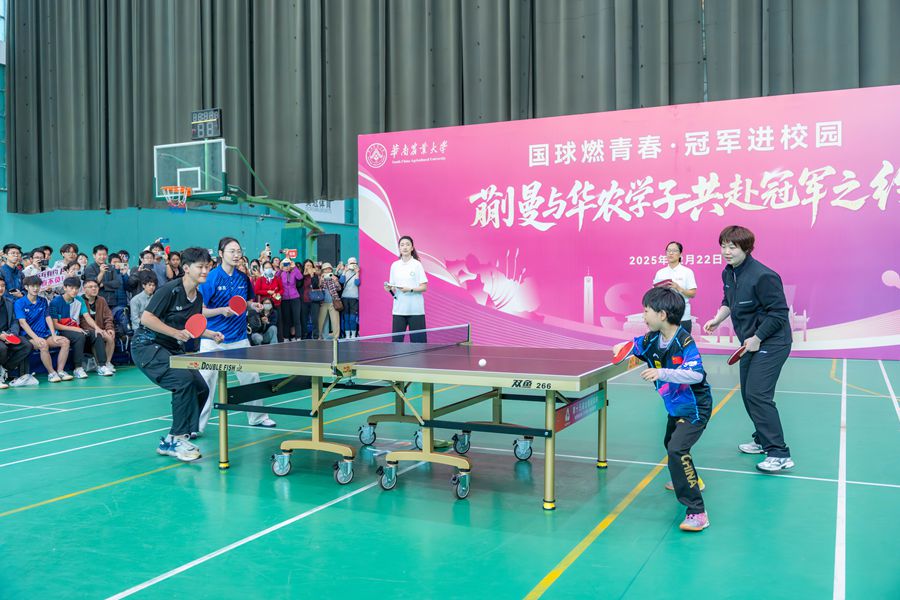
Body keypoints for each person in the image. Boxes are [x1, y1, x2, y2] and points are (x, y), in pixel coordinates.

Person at [615, 287, 712, 532]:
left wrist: (661, 373)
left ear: (662, 315)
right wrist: (621, 347)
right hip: (675, 406)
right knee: (670, 444)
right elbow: (634, 346)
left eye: (646, 311)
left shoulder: (684, 341)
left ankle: (697, 511)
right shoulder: (652, 339)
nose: (643, 315)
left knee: (677, 449)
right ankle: (693, 479)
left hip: (695, 408)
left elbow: (696, 374)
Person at [703, 225, 794, 473]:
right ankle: (762, 439)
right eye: (723, 246)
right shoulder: (729, 273)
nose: (726, 251)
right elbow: (728, 301)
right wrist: (717, 319)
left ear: (746, 248)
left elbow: (779, 314)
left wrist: (758, 337)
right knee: (747, 394)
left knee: (758, 395)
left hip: (773, 342)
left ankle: (779, 453)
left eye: (732, 247)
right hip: (749, 343)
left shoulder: (764, 276)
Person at [131, 247, 223, 461]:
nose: (205, 271)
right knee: (183, 382)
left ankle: (177, 437)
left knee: (201, 388)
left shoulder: (198, 297)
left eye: (207, 267)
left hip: (171, 348)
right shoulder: (169, 290)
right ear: (186, 268)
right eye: (200, 267)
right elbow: (147, 318)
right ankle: (176, 439)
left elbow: (189, 326)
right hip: (147, 346)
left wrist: (210, 334)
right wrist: (174, 333)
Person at [197, 237, 276, 434]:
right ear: (220, 254)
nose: (236, 255)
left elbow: (244, 303)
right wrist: (221, 310)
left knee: (251, 377)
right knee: (205, 383)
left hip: (239, 338)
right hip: (212, 339)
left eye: (238, 251)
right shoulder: (211, 278)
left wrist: (253, 305)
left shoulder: (243, 278)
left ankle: (258, 417)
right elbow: (200, 310)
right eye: (231, 251)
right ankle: (195, 425)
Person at [14, 275, 73, 383]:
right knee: (43, 344)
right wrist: (36, 338)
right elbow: (23, 323)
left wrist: (53, 335)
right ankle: (51, 373)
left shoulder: (43, 301)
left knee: (65, 342)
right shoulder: (19, 303)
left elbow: (48, 317)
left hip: (44, 334)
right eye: (33, 286)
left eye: (38, 286)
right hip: (29, 336)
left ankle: (60, 371)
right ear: (26, 287)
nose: (36, 288)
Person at [385, 235, 428, 342]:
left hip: (416, 311)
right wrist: (389, 288)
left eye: (408, 245)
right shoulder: (395, 265)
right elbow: (393, 287)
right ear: (399, 248)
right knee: (396, 343)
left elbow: (424, 287)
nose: (405, 247)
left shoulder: (417, 265)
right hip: (399, 311)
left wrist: (410, 289)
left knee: (419, 345)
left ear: (412, 248)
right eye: (402, 245)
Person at [48, 276, 93, 379]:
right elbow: (55, 325)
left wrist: (98, 328)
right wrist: (76, 329)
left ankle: (102, 365)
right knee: (79, 336)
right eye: (71, 288)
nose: (74, 291)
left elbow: (87, 316)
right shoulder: (55, 302)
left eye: (76, 288)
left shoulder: (79, 299)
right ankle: (78, 368)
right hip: (60, 330)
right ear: (64, 288)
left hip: (74, 328)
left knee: (95, 334)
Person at [652, 241, 698, 333]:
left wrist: (678, 288)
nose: (671, 253)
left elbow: (693, 294)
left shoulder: (687, 272)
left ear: (680, 254)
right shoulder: (660, 273)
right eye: (668, 251)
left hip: (683, 316)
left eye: (674, 251)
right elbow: (654, 294)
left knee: (682, 341)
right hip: (664, 317)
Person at [0, 278, 35, 387]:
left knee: (27, 345)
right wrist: (1, 335)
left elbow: (15, 321)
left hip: (8, 334)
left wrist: (13, 334)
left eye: (3, 285)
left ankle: (5, 368)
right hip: (1, 336)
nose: (1, 288)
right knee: (2, 348)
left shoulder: (9, 302)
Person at [80, 280, 118, 375]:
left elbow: (108, 316)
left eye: (96, 286)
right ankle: (100, 365)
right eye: (90, 287)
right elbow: (82, 321)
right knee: (97, 335)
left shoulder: (101, 300)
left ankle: (107, 363)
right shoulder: (80, 301)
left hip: (101, 328)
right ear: (84, 289)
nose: (94, 288)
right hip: (85, 330)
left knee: (110, 337)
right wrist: (96, 330)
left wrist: (109, 328)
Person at [278, 258, 304, 341]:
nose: (286, 266)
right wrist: (280, 268)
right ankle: (286, 337)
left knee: (296, 318)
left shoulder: (294, 272)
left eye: (288, 264)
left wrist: (294, 267)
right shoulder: (281, 273)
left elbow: (300, 277)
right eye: (285, 265)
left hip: (295, 297)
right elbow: (275, 278)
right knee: (286, 319)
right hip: (284, 298)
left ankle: (298, 337)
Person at [317, 262, 342, 340]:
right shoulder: (320, 278)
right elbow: (319, 288)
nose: (327, 271)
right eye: (325, 269)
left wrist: (335, 281)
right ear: (323, 271)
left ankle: (336, 337)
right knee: (322, 321)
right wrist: (321, 280)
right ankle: (322, 336)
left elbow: (339, 288)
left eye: (329, 269)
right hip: (323, 302)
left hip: (333, 302)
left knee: (335, 320)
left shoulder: (333, 277)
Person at [339, 258, 360, 337]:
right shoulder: (345, 272)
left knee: (352, 318)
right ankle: (347, 335)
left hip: (354, 298)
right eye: (351, 263)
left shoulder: (358, 272)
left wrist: (357, 273)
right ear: (348, 264)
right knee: (346, 318)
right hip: (345, 297)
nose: (353, 264)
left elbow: (357, 283)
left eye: (354, 263)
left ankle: (353, 335)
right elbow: (341, 281)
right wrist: (344, 271)